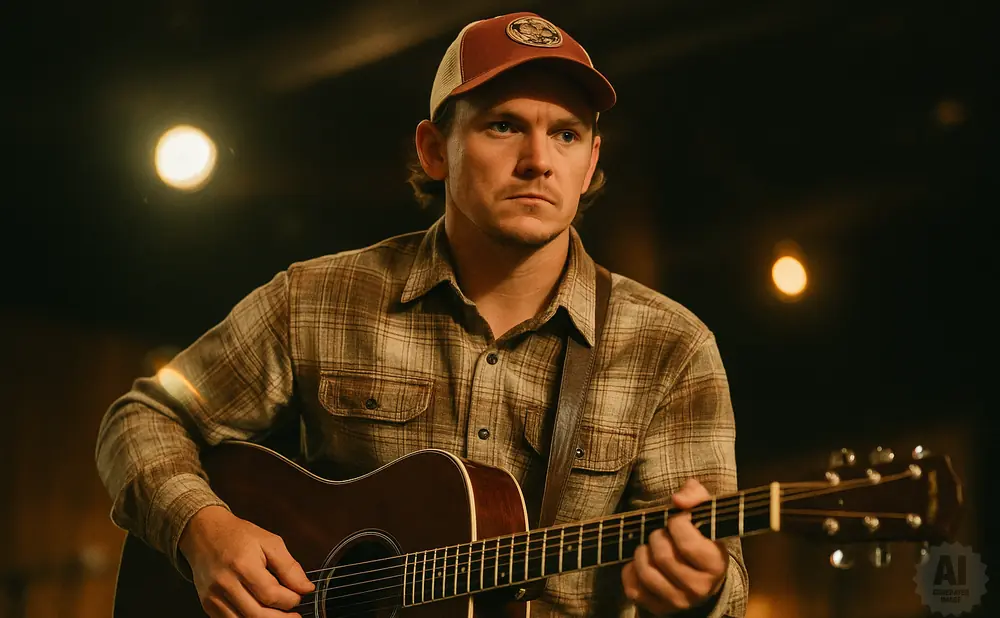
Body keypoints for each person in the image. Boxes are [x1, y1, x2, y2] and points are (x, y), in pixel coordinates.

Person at [95, 11, 748, 618]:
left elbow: (724, 585)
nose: (538, 161)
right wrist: (202, 530)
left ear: (590, 164)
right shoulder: (318, 299)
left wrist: (703, 588)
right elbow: (143, 420)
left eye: (567, 134)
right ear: (436, 150)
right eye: (503, 125)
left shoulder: (670, 349)